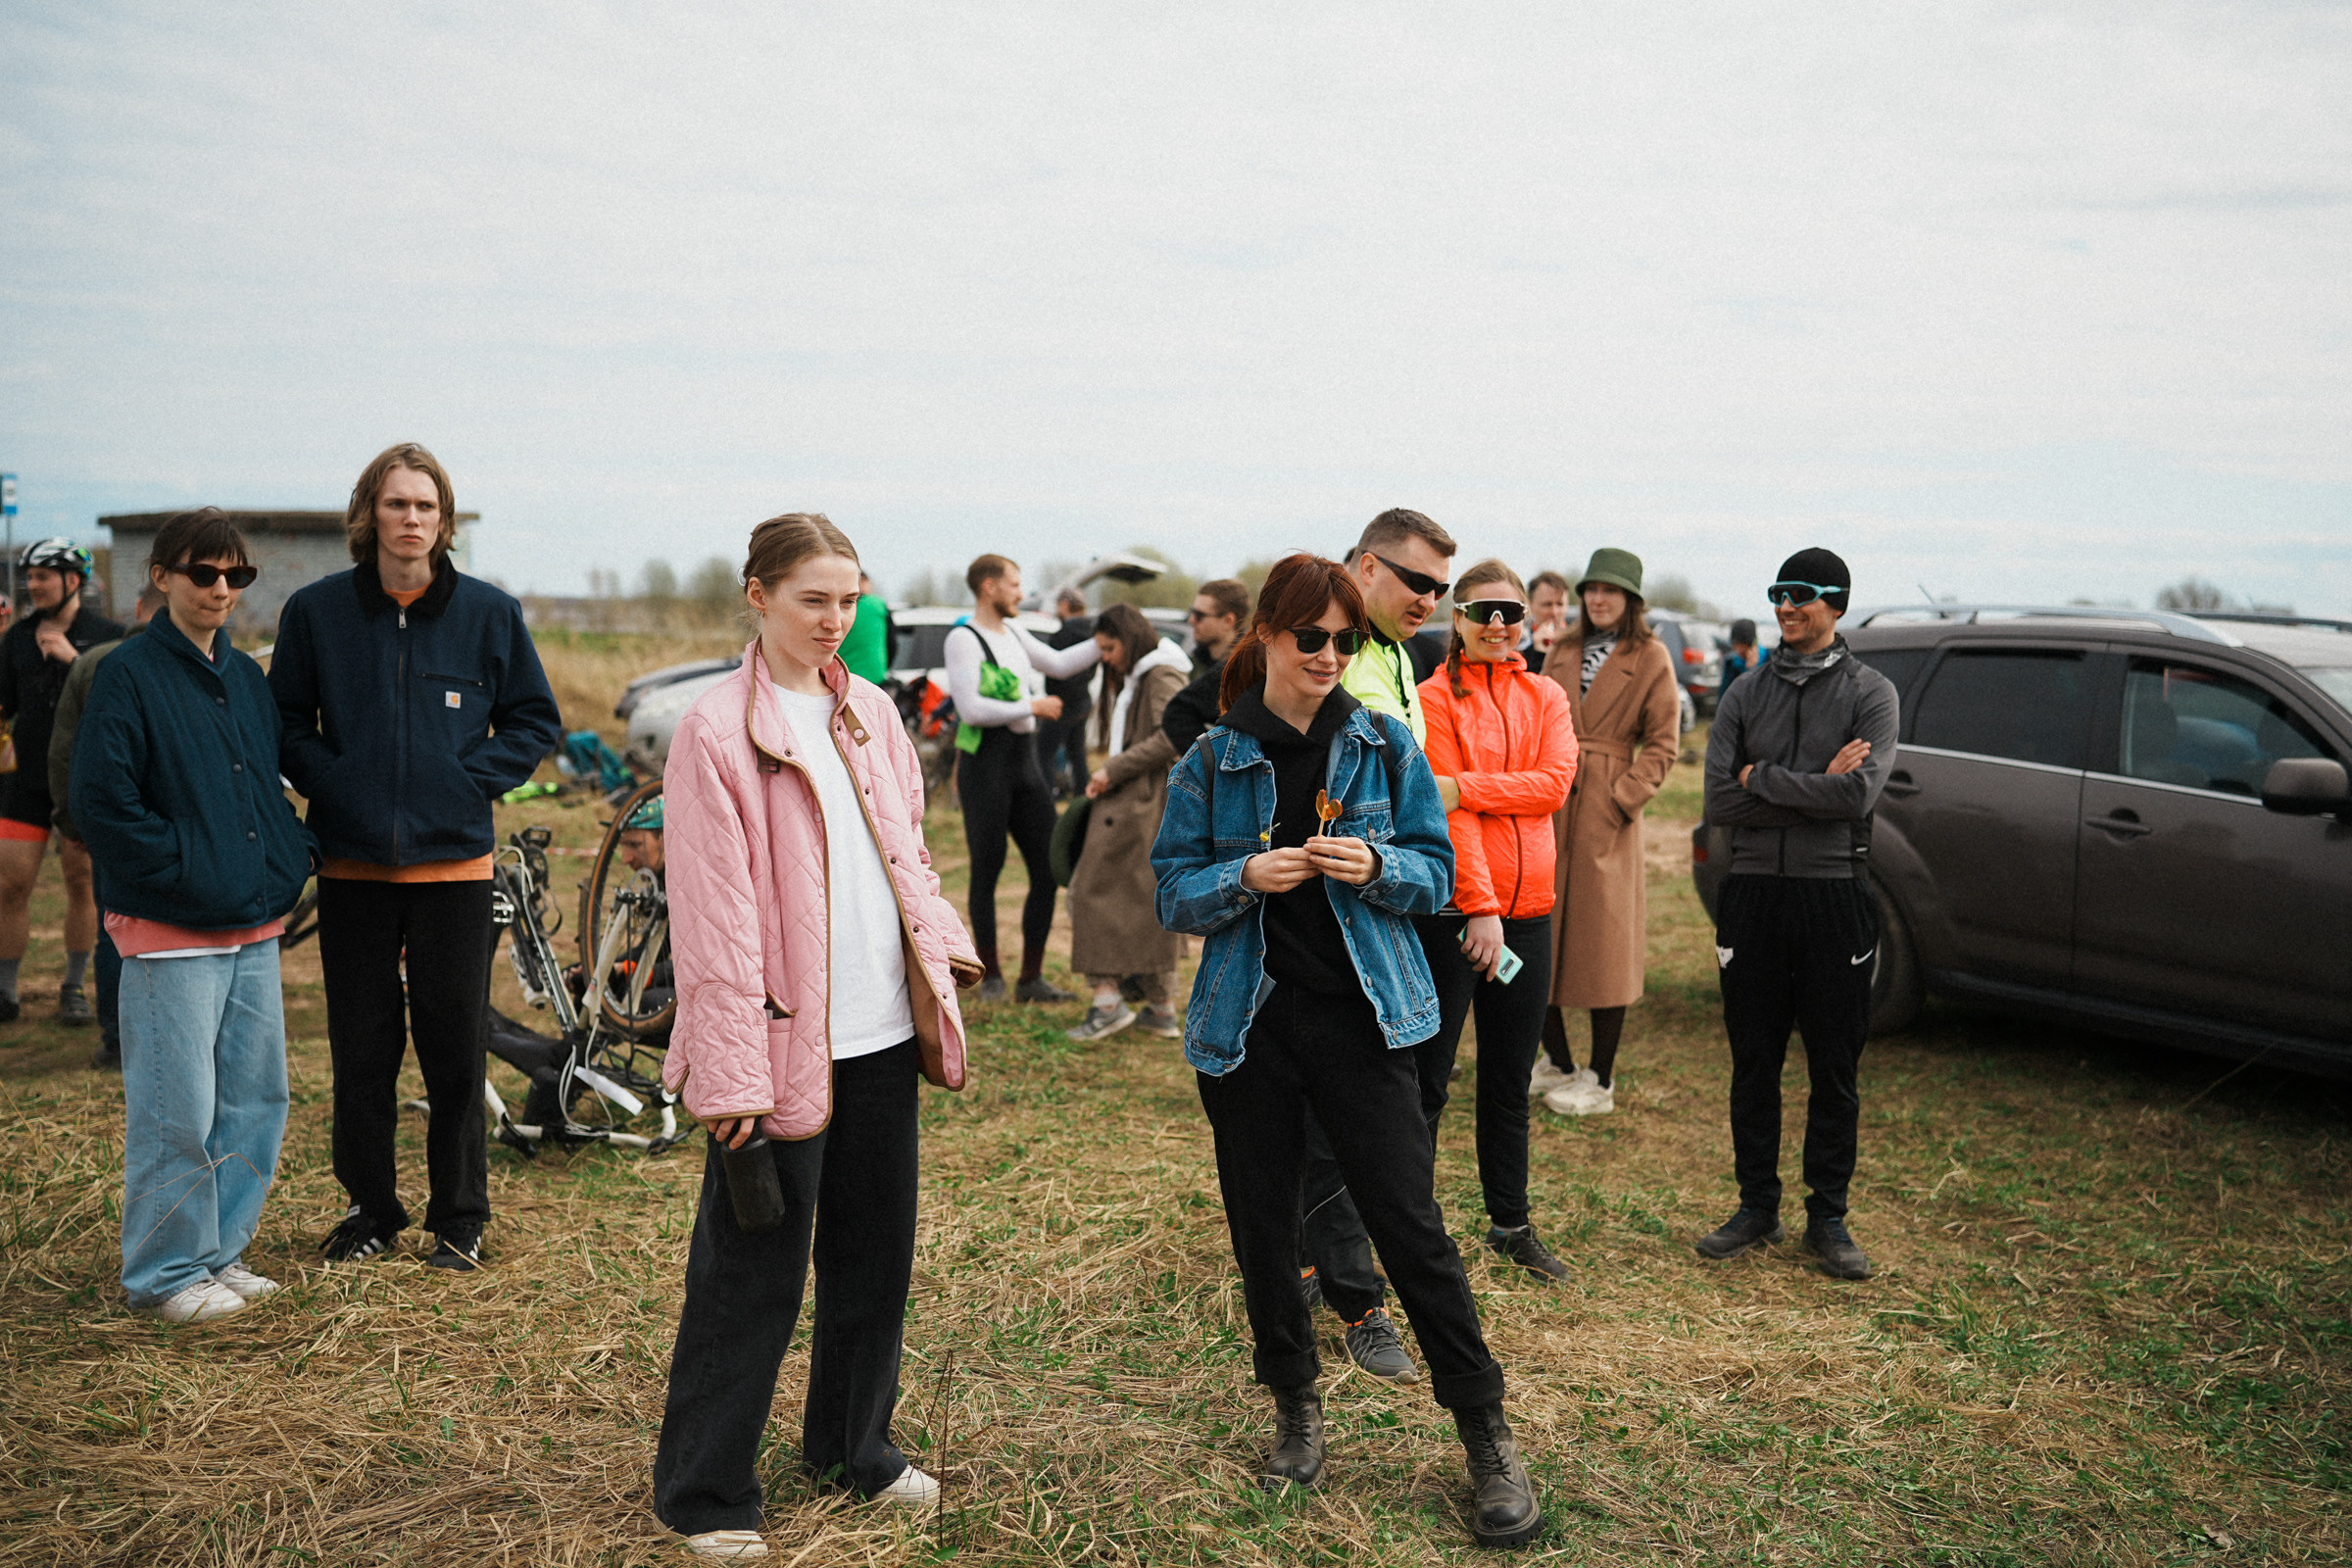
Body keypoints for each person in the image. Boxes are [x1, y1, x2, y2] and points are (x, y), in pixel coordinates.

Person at [1152, 553, 1542, 1548]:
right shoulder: (1210, 759)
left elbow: (1437, 873)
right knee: (1264, 1228)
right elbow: (1173, 893)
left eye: (1349, 641)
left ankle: (1484, 1430)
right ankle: (1295, 1403)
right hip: (1247, 1031)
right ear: (1269, 640)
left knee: (1411, 1227)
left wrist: (1376, 864)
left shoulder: (1382, 747)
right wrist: (1245, 874)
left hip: (1368, 1024)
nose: (1332, 656)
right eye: (1313, 638)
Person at [653, 513, 982, 1561]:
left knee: (873, 1258)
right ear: (758, 594)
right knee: (750, 1274)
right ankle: (705, 1489)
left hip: (881, 1035)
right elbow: (714, 921)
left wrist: (942, 949)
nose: (834, 620)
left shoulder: (872, 713)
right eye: (812, 599)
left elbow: (908, 853)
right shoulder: (715, 730)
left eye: (849, 600)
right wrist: (732, 1075)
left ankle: (853, 1449)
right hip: (779, 1048)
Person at [270, 442, 563, 1273]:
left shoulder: (489, 615)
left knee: (453, 1047)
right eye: (396, 505)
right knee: (362, 1048)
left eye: (426, 507)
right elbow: (285, 719)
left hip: (454, 873)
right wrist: (336, 782)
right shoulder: (317, 612)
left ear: (445, 521)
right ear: (370, 516)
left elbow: (534, 722)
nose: (411, 520)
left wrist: (465, 782)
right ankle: (370, 1209)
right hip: (353, 869)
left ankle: (459, 1216)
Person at [70, 509, 314, 1323]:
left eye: (234, 576)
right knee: (181, 1109)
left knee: (254, 1098)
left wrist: (287, 855)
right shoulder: (128, 673)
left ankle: (219, 1252)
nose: (219, 589)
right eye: (203, 573)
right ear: (162, 576)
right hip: (169, 933)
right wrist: (182, 870)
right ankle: (167, 1273)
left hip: (250, 926)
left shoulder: (245, 678)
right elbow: (102, 802)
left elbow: (262, 789)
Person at [1697, 549, 1898, 1281]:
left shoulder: (1872, 693)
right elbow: (1720, 800)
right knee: (1754, 1061)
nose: (1786, 605)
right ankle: (1757, 1206)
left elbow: (1857, 799)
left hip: (1832, 894)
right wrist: (1814, 783)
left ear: (1837, 605)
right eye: (1779, 592)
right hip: (1750, 893)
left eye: (1803, 595)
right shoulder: (1746, 692)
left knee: (1834, 1066)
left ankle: (1830, 1218)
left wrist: (1765, 780)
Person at [1296, 508, 1456, 1381]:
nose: (1430, 599)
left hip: (1393, 910)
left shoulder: (1398, 657)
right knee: (1339, 1120)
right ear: (1364, 566)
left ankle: (1320, 1257)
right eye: (1416, 581)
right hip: (1324, 933)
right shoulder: (1323, 652)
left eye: (1442, 588)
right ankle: (1355, 1297)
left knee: (1393, 1106)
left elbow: (1414, 810)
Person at [1415, 561, 1580, 1280]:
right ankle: (1412, 1230)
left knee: (1509, 1081)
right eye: (1482, 611)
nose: (1497, 625)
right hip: (1459, 915)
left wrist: (1473, 788)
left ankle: (1510, 1224)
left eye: (1509, 612)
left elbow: (1554, 785)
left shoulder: (1545, 694)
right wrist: (1479, 908)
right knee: (1430, 1078)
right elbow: (1447, 814)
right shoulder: (1431, 698)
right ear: (1457, 618)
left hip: (1533, 913)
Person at [1531, 550, 1682, 1118]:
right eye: (1592, 588)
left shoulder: (1650, 656)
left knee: (1604, 944)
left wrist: (1623, 799)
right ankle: (1560, 1062)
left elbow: (1663, 743)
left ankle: (1602, 1076)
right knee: (1539, 934)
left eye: (1611, 591)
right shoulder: (1563, 650)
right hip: (1551, 802)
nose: (1598, 599)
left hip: (1605, 814)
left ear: (1631, 599)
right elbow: (1540, 720)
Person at [945, 555, 1101, 1002]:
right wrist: (1030, 707)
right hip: (984, 768)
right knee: (987, 871)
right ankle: (989, 975)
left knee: (1047, 867)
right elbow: (971, 708)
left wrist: (1105, 638)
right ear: (989, 587)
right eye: (1014, 584)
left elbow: (1057, 663)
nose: (1020, 591)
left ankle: (1030, 979)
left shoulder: (1012, 631)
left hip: (1025, 764)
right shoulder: (963, 638)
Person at [0, 537, 122, 1025]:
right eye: (29, 577)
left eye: (42, 576)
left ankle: (74, 987)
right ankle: (6, 990)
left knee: (81, 881)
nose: (33, 586)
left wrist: (76, 660)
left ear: (73, 581)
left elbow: (121, 703)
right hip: (23, 783)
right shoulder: (14, 639)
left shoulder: (108, 635)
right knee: (10, 885)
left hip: (80, 781)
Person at [49, 582, 167, 1069]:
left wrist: (70, 820)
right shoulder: (191, 662)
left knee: (113, 930)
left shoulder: (94, 661)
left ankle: (118, 1041)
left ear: (136, 608)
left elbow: (64, 751)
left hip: (108, 826)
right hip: (171, 826)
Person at [1063, 604, 1193, 1042]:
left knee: (1089, 893)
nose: (1106, 657)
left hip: (1141, 803)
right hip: (1143, 803)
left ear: (1131, 638)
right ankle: (1160, 1008)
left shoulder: (1160, 674)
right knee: (1144, 903)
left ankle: (1108, 1003)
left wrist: (1112, 770)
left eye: (1110, 647)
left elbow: (1173, 734)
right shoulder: (1155, 671)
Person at [1142, 577, 1250, 767]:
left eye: (1199, 615)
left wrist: (1213, 770)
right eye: (1192, 612)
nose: (1191, 620)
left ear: (1228, 620)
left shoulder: (1246, 671)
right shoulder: (1195, 664)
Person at [1034, 587, 1096, 799]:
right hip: (1083, 701)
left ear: (1065, 605)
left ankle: (1045, 799)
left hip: (1060, 705)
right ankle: (1082, 798)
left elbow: (1054, 670)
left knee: (1044, 753)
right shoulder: (1092, 634)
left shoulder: (1064, 635)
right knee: (1077, 754)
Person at [838, 571, 896, 686]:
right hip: (875, 680)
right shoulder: (879, 605)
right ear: (863, 582)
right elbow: (892, 644)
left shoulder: (837, 606)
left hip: (842, 680)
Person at [1525, 570, 1571, 660]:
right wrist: (1538, 654)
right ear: (1531, 605)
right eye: (1547, 604)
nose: (1554, 612)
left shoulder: (1581, 643)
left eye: (1560, 604)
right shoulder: (1519, 646)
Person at [1718, 617, 1762, 704]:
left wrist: (1751, 669)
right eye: (1735, 645)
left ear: (1752, 644)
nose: (1738, 650)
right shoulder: (1731, 662)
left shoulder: (1768, 660)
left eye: (1742, 645)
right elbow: (1724, 695)